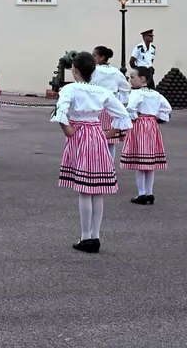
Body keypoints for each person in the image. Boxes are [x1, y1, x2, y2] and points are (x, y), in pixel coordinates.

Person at [51, 51, 131, 254]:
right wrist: (110, 132)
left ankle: (86, 236)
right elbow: (122, 113)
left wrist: (67, 129)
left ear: (75, 70)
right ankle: (95, 235)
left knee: (85, 189)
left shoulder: (70, 89)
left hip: (80, 136)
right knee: (97, 189)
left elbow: (61, 110)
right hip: (96, 134)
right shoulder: (101, 91)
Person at [121, 67, 172, 204]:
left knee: (140, 162)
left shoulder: (136, 94)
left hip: (140, 125)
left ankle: (142, 193)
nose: (130, 80)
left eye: (132, 77)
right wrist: (156, 116)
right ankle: (149, 192)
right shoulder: (156, 94)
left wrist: (132, 118)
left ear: (142, 79)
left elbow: (130, 108)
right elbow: (167, 108)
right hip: (152, 126)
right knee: (149, 163)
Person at [90, 46, 131, 167]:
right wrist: (118, 101)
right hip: (110, 108)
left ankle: (97, 165)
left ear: (102, 57)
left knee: (96, 137)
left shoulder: (93, 71)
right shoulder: (116, 72)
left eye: (94, 56)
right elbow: (125, 89)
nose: (92, 58)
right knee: (110, 141)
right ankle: (109, 166)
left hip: (97, 106)